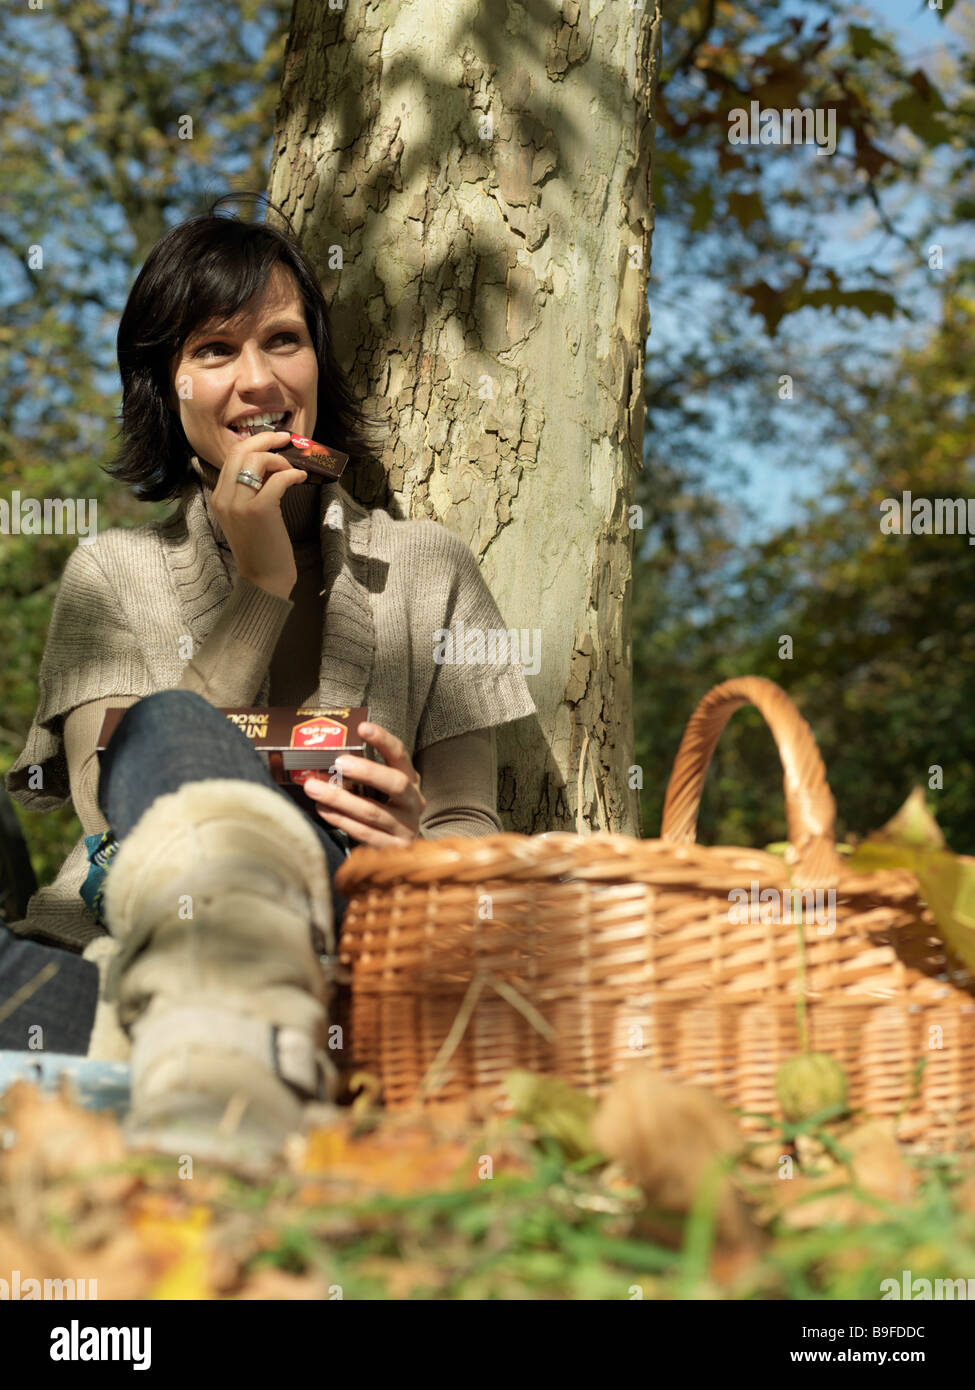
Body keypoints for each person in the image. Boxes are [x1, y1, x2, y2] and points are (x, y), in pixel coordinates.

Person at [1, 195, 537, 1164]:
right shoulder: (109, 571)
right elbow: (104, 805)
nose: (257, 380)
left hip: (341, 939)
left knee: (161, 725)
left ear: (318, 369)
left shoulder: (431, 564)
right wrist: (261, 590)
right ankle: (194, 1060)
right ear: (169, 389)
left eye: (282, 341)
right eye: (213, 350)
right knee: (160, 737)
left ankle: (193, 1085)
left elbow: (474, 830)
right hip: (119, 936)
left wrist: (415, 841)